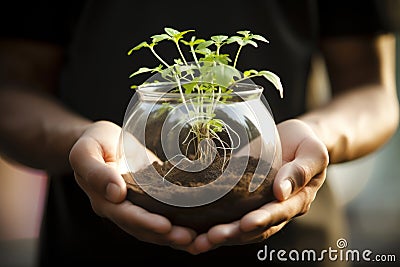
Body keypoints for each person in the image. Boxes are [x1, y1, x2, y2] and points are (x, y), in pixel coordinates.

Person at [0, 0, 399, 266]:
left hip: (293, 246)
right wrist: (78, 139)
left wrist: (317, 135)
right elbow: (12, 88)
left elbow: (371, 90)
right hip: (91, 244)